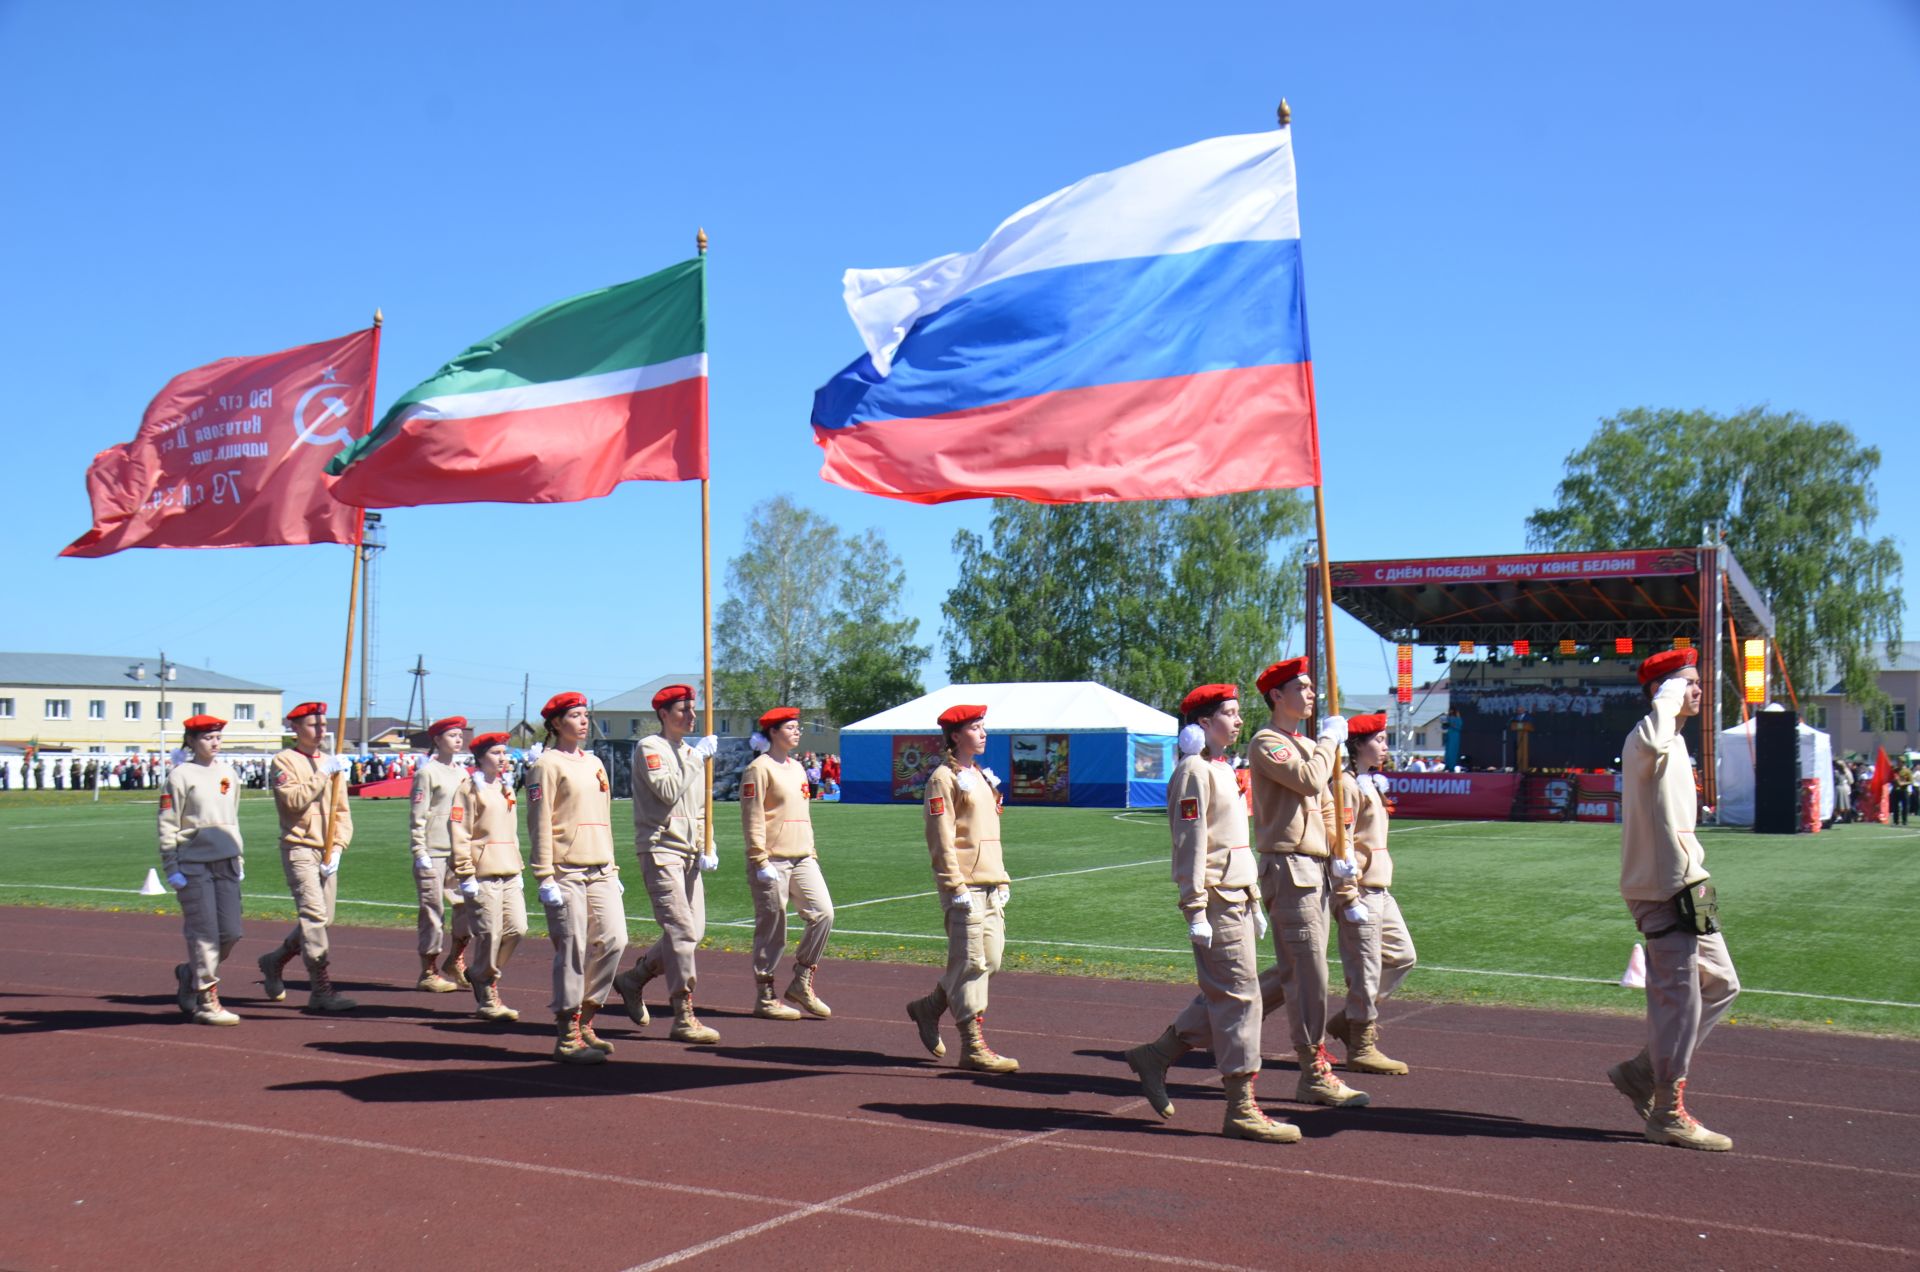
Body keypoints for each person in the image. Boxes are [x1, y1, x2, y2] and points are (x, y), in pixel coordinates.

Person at [1124, 684, 1297, 1143]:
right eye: (1231, 713)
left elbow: (1233, 845)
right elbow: (1191, 844)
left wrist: (1255, 901)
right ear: (1203, 724)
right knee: (1241, 1000)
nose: (1240, 721)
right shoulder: (1194, 772)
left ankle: (1157, 1055)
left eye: (1239, 713)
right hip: (1216, 901)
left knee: (1232, 995)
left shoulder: (1223, 768)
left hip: (1238, 897)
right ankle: (1240, 1107)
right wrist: (1195, 908)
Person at [1607, 649, 1740, 1152]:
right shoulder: (1647, 738)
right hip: (1662, 889)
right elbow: (1655, 736)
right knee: (1677, 1002)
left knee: (1723, 984)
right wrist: (1667, 695)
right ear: (1663, 692)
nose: (1698, 690)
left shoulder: (1673, 743)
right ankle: (1667, 1110)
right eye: (1689, 683)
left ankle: (1644, 1071)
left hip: (1688, 884)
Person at [1248, 658, 1368, 1107]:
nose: (1312, 694)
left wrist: (1340, 855)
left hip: (1313, 866)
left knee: (1296, 973)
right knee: (1308, 975)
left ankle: (1178, 1040)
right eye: (1302, 686)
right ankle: (1313, 1070)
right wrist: (1328, 742)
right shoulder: (1268, 741)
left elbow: (1327, 803)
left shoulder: (1301, 743)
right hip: (1289, 866)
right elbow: (1308, 779)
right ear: (1277, 696)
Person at [904, 703, 1018, 1074]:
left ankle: (931, 1006)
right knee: (971, 964)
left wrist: (1002, 878)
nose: (983, 733)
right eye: (976, 727)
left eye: (984, 726)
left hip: (989, 882)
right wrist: (954, 886)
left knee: (992, 960)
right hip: (965, 886)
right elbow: (940, 838)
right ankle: (972, 1045)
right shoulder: (943, 778)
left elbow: (992, 834)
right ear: (956, 735)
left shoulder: (981, 775)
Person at [613, 685, 721, 1044]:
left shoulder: (692, 751)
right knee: (681, 931)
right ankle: (683, 1012)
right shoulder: (651, 748)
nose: (691, 716)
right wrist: (697, 759)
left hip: (689, 852)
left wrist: (709, 844)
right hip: (661, 849)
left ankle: (635, 978)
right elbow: (667, 790)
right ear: (663, 714)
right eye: (683, 710)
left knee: (694, 932)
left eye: (693, 709)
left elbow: (701, 807)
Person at [528, 692, 625, 1064]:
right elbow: (538, 823)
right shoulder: (545, 765)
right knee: (572, 949)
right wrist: (544, 877)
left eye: (586, 715)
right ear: (556, 723)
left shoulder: (596, 762)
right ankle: (567, 1032)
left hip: (600, 868)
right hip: (565, 871)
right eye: (575, 715)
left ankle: (587, 1014)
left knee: (615, 940)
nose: (584, 721)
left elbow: (604, 818)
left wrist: (612, 868)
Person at [1326, 713, 1418, 1075]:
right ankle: (1361, 1044)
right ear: (1358, 745)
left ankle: (1350, 1018)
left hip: (1382, 888)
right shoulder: (1347, 785)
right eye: (1378, 739)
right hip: (1361, 889)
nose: (1384, 746)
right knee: (1364, 970)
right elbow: (1343, 839)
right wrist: (1347, 895)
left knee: (1402, 956)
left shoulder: (1368, 783)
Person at [257, 702, 357, 1013]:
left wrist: (339, 847)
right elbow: (293, 802)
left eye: (324, 723)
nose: (321, 729)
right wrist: (322, 775)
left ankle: (275, 961)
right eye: (314, 724)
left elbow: (343, 812)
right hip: (299, 847)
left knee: (323, 919)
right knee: (314, 916)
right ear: (296, 728)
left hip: (327, 850)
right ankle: (321, 989)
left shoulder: (330, 762)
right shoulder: (283, 761)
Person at [740, 706, 836, 1020]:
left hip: (803, 855)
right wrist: (759, 857)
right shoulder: (759, 768)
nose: (797, 731)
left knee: (823, 913)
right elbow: (752, 816)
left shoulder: (797, 768)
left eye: (798, 727)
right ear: (773, 732)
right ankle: (765, 994)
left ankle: (802, 979)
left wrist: (811, 849)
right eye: (791, 727)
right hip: (772, 859)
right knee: (773, 927)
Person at [158, 715, 246, 1027]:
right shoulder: (180, 776)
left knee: (231, 932)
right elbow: (167, 824)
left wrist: (240, 858)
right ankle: (208, 999)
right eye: (208, 737)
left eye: (218, 737)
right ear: (192, 741)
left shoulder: (228, 774)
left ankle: (189, 972)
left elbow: (231, 819)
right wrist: (172, 867)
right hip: (194, 865)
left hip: (227, 861)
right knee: (204, 933)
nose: (214, 743)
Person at [451, 732, 526, 1024]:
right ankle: (488, 993)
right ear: (481, 758)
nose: (502, 758)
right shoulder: (469, 789)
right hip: (482, 873)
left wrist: (518, 868)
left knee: (517, 928)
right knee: (489, 933)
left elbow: (512, 832)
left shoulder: (506, 787)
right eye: (495, 753)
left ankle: (481, 973)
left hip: (509, 869)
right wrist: (465, 872)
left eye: (504, 753)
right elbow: (459, 831)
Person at [408, 716, 473, 993]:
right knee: (433, 911)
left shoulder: (463, 772)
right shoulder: (428, 772)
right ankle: (428, 970)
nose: (458, 739)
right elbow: (418, 815)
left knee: (467, 908)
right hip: (433, 850)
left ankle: (456, 959)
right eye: (452, 735)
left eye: (460, 735)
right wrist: (419, 849)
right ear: (437, 740)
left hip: (458, 850)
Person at [1892, 759, 1914, 827]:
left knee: (1905, 807)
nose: (1898, 763)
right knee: (1895, 807)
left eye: (1899, 762)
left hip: (1904, 790)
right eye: (1897, 762)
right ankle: (1896, 821)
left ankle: (1904, 821)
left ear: (1903, 763)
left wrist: (1903, 783)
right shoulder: (1895, 770)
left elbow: (1911, 781)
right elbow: (1891, 777)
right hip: (1895, 790)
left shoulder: (1907, 771)